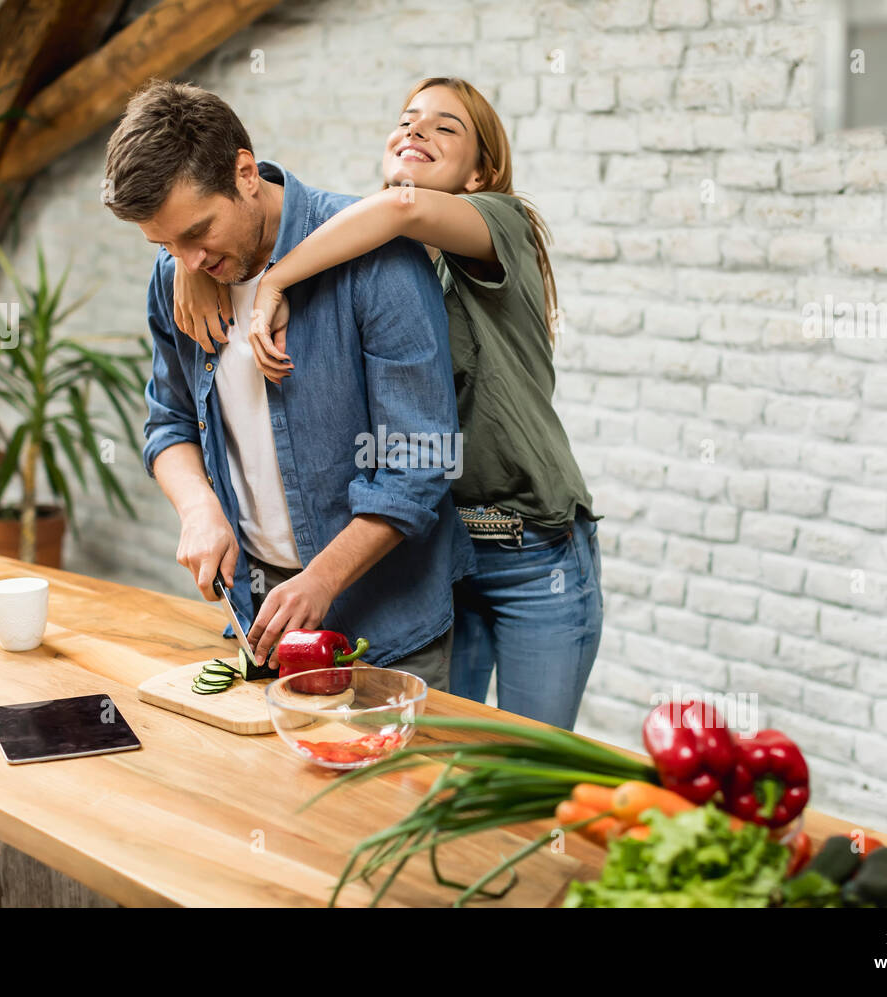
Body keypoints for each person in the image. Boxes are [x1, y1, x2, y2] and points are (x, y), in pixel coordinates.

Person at [171, 78, 602, 729]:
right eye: (406, 119)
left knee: (525, 757)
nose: (417, 131)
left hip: (528, 549)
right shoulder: (367, 249)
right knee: (448, 758)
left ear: (482, 170)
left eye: (445, 127)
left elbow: (396, 209)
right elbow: (250, 208)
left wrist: (277, 278)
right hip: (442, 550)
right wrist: (191, 259)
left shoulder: (500, 222)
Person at [103, 80, 475, 690]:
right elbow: (167, 423)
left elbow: (419, 462)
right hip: (261, 617)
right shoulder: (178, 274)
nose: (184, 260)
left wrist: (324, 579)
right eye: (165, 243)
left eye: (197, 232)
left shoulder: (375, 258)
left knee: (386, 788)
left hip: (388, 627)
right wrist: (198, 508)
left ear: (245, 173)